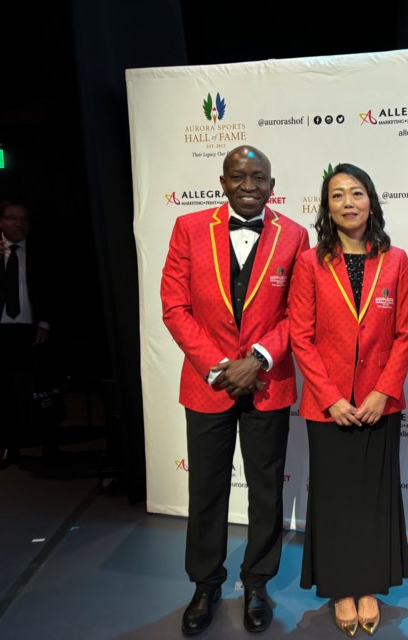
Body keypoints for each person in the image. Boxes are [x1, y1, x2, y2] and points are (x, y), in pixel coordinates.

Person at [161, 145, 309, 635]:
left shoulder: (295, 235)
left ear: (272, 183)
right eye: (239, 177)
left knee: (266, 490)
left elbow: (299, 313)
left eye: (259, 178)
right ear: (222, 182)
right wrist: (219, 366)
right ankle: (205, 583)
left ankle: (257, 583)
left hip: (268, 381)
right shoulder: (188, 229)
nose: (249, 186)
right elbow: (174, 306)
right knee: (206, 489)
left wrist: (258, 359)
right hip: (209, 384)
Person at [289, 163, 408, 637]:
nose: (348, 203)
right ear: (327, 207)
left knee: (373, 498)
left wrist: (384, 391)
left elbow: (405, 333)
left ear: (371, 200)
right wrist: (330, 397)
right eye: (337, 195)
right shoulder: (310, 263)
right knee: (337, 498)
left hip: (381, 404)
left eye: (356, 193)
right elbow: (301, 337)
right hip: (330, 406)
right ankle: (342, 589)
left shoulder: (396, 260)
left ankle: (368, 587)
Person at [0, 200, 55, 470]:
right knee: (3, 393)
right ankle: (10, 446)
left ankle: (50, 447)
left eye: (23, 219)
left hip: (34, 330)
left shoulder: (42, 251)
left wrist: (46, 323)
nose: (19, 224)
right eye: (12, 218)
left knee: (43, 391)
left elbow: (54, 289)